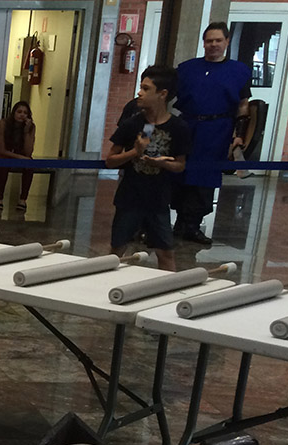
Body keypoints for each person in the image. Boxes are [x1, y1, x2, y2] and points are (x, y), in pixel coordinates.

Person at [172, 22, 252, 245]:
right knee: (179, 174)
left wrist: (239, 134)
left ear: (226, 42)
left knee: (204, 178)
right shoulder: (187, 68)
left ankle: (192, 225)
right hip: (187, 126)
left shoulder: (239, 71)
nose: (213, 44)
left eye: (218, 40)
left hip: (218, 130)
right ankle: (179, 222)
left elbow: (243, 105)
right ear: (203, 43)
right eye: (209, 41)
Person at [106, 65, 190, 272]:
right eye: (140, 87)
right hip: (130, 197)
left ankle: (169, 288)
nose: (139, 93)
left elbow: (180, 165)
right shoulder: (131, 124)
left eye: (146, 89)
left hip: (158, 199)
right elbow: (111, 160)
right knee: (116, 250)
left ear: (162, 94)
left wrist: (161, 163)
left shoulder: (179, 128)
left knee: (165, 252)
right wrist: (134, 152)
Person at [0, 101, 36, 213]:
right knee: (3, 163)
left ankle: (23, 199)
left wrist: (26, 132)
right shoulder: (3, 123)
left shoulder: (31, 127)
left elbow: (28, 152)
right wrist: (20, 157)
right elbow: (2, 149)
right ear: (14, 113)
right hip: (3, 154)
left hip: (19, 153)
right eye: (19, 112)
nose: (22, 115)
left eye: (25, 113)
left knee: (30, 165)